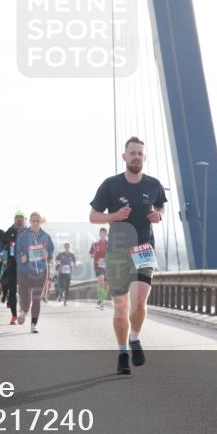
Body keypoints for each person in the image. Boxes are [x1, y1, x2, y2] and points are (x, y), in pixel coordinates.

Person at [90, 136, 167, 375]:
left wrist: (158, 214)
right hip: (117, 252)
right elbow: (94, 216)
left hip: (144, 248)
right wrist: (114, 216)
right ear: (124, 157)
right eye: (132, 153)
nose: (136, 157)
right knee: (121, 305)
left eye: (140, 154)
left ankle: (135, 338)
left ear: (144, 158)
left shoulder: (154, 184)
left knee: (140, 302)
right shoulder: (110, 185)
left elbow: (161, 205)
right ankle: (123, 351)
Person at [0, 210, 25, 325]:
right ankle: (14, 316)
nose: (19, 219)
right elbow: (1, 244)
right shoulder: (9, 231)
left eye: (21, 217)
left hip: (26, 266)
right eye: (17, 217)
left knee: (25, 291)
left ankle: (23, 310)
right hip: (12, 265)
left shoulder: (29, 232)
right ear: (14, 219)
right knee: (12, 290)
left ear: (24, 219)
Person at [90, 228, 109, 309]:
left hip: (108, 266)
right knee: (101, 281)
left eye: (104, 233)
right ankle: (102, 302)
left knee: (106, 285)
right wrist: (93, 255)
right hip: (98, 266)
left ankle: (101, 299)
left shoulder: (110, 244)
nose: (102, 234)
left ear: (106, 234)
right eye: (101, 233)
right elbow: (91, 253)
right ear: (99, 234)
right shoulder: (95, 244)